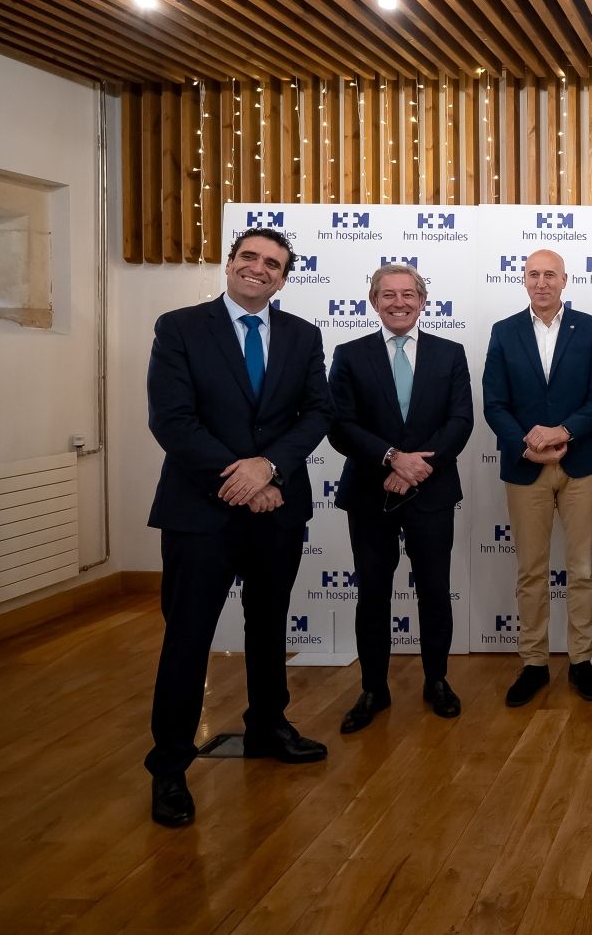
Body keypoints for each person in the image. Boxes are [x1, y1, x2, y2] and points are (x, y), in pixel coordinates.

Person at [143, 226, 332, 827]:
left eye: (273, 264)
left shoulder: (303, 336)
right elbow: (172, 420)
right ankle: (170, 766)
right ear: (230, 264)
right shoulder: (180, 328)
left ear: (283, 277)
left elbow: (317, 412)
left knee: (269, 623)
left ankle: (268, 727)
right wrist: (241, 476)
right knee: (187, 636)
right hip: (201, 510)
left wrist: (269, 468)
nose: (259, 269)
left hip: (277, 506)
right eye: (249, 257)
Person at [328, 263, 475, 733]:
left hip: (430, 493)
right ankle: (374, 688)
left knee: (434, 591)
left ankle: (437, 681)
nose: (399, 302)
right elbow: (340, 425)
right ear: (374, 301)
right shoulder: (349, 355)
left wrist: (415, 469)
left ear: (422, 301)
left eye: (408, 294)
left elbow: (460, 422)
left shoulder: (450, 354)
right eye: (388, 294)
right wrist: (392, 459)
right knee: (372, 593)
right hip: (371, 495)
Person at [482, 248, 592, 707]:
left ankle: (581, 661)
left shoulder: (590, 329)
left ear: (565, 279)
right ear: (523, 280)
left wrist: (563, 431)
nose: (542, 282)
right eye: (534, 275)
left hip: (581, 465)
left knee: (582, 569)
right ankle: (534, 662)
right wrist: (527, 444)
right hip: (525, 467)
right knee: (531, 571)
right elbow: (494, 403)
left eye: (550, 275)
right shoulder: (504, 332)